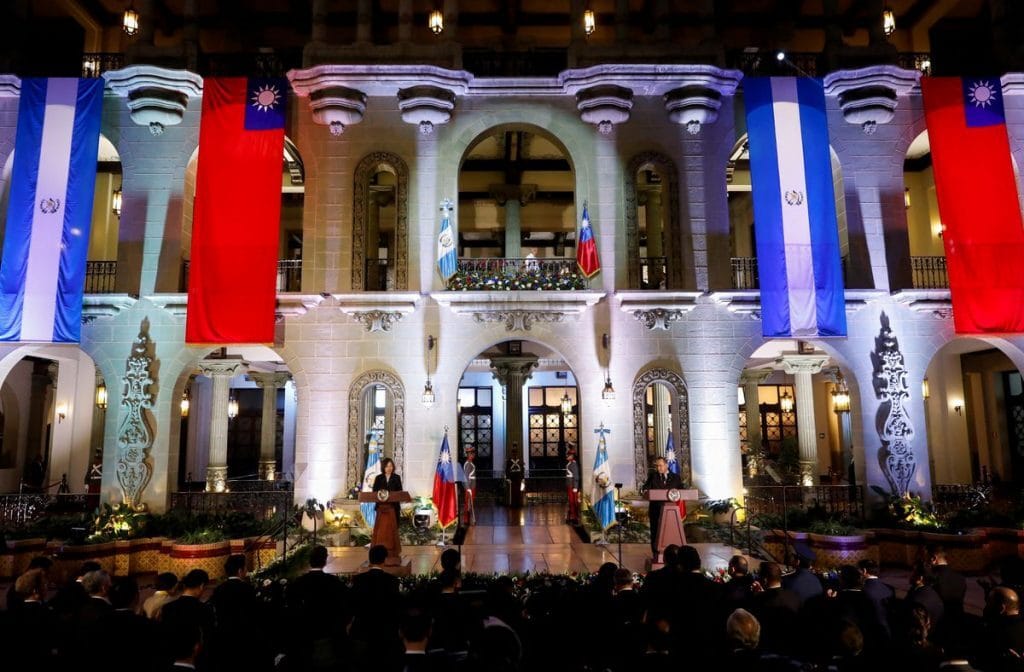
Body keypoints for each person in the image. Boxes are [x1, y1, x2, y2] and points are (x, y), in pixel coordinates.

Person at [643, 456, 683, 559]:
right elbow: (645, 488)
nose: (658, 468)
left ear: (667, 465)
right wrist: (645, 491)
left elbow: (682, 491)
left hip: (671, 513)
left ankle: (674, 554)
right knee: (655, 532)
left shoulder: (676, 477)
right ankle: (656, 554)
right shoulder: (653, 476)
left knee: (670, 532)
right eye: (657, 466)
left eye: (660, 465)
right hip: (656, 510)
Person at [371, 457, 403, 561]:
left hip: (393, 509)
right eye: (387, 466)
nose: (389, 468)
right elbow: (374, 493)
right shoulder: (379, 478)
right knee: (381, 530)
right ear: (383, 467)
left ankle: (394, 552)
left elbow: (400, 492)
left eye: (391, 466)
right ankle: (379, 553)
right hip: (382, 510)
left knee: (393, 530)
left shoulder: (396, 477)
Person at [565, 448, 580, 524]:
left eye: (569, 455)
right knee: (571, 502)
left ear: (572, 456)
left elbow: (576, 476)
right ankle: (572, 516)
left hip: (572, 486)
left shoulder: (573, 464)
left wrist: (575, 487)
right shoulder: (570, 463)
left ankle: (574, 518)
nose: (567, 456)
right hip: (569, 485)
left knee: (573, 502)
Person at [463, 446, 477, 525]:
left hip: (472, 486)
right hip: (470, 487)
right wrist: (468, 488)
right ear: (468, 455)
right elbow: (466, 476)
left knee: (470, 504)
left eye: (473, 453)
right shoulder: (468, 464)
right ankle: (466, 520)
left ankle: (468, 519)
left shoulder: (470, 463)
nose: (473, 455)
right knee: (468, 503)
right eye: (472, 453)